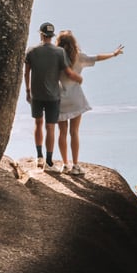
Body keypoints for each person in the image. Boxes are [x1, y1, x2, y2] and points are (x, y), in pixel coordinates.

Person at [54, 30, 124, 169]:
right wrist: (113, 54)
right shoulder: (79, 57)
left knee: (62, 133)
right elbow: (97, 57)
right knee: (74, 132)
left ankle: (64, 164)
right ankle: (75, 165)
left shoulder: (55, 58)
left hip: (59, 99)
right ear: (73, 43)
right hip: (76, 99)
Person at [23, 22, 67, 169]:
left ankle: (39, 157)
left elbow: (26, 72)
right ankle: (49, 161)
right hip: (53, 96)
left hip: (36, 94)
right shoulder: (59, 52)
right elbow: (63, 74)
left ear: (41, 34)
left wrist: (28, 91)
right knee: (51, 127)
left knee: (38, 124)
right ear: (52, 36)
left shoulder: (31, 51)